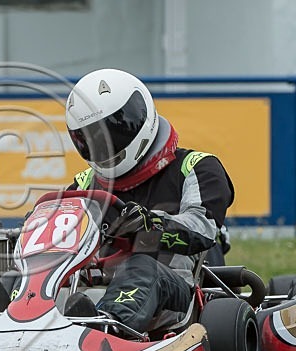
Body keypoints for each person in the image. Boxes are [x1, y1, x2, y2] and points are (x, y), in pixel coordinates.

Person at [63, 68, 235, 334]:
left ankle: (106, 331)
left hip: (175, 291)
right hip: (93, 286)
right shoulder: (85, 184)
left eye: (112, 131)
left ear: (138, 117)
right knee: (31, 273)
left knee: (141, 266)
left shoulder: (195, 167)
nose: (102, 144)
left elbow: (202, 228)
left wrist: (153, 224)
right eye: (90, 137)